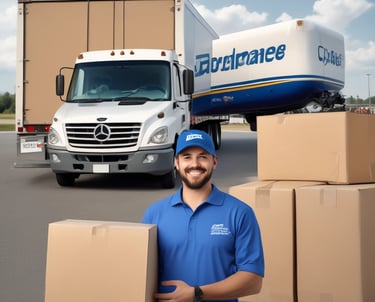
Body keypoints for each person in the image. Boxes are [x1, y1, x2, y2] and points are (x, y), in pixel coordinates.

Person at [142, 129, 264, 302]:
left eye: (202, 156)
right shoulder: (154, 214)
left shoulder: (240, 213)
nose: (195, 164)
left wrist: (196, 293)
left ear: (214, 162)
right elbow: (143, 272)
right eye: (187, 157)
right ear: (176, 163)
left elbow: (253, 281)